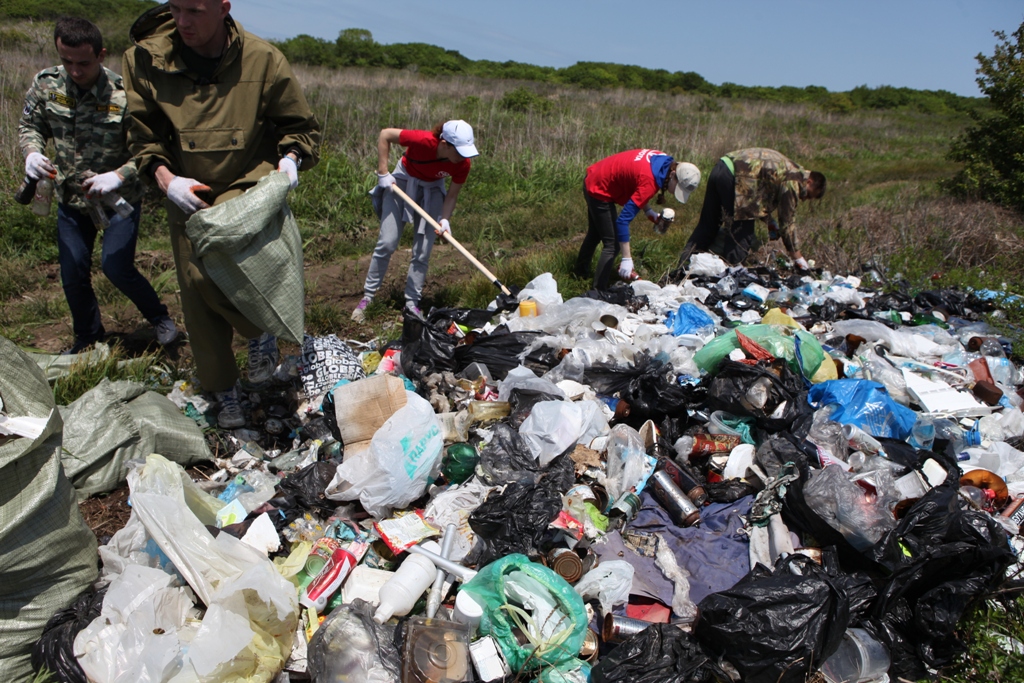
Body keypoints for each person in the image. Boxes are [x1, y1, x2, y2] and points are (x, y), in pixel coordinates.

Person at [123, 0, 320, 428]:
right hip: (186, 188)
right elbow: (143, 137)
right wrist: (165, 179)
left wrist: (290, 162)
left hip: (247, 180)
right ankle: (225, 392)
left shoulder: (263, 58)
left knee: (214, 272)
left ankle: (258, 331)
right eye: (175, 9)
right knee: (197, 301)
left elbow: (299, 127)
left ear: (223, 8)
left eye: (194, 10)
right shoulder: (145, 58)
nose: (182, 22)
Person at [18, 17, 179, 355]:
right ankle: (88, 337)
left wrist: (119, 175)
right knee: (73, 272)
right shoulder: (47, 84)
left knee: (116, 266)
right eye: (67, 62)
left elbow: (149, 149)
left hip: (119, 198)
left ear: (101, 54)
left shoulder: (123, 95)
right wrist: (32, 153)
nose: (75, 71)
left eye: (84, 63)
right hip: (72, 199)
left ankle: (160, 318)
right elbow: (30, 124)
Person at [351, 120, 479, 322]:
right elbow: (385, 133)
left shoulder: (463, 163)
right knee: (387, 241)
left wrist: (444, 219)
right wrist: (383, 172)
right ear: (444, 144)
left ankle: (411, 304)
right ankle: (368, 297)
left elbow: (452, 196)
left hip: (432, 189)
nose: (465, 156)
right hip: (401, 181)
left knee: (423, 250)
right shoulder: (423, 141)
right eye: (460, 151)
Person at [678, 147, 826, 270]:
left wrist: (769, 220)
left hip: (721, 167)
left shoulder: (789, 168)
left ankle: (683, 267)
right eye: (809, 195)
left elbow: (761, 195)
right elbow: (787, 223)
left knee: (708, 225)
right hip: (738, 177)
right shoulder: (795, 180)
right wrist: (798, 258)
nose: (805, 198)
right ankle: (729, 275)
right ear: (810, 182)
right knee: (740, 235)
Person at [573, 149, 701, 290]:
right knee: (613, 244)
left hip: (597, 174)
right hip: (599, 187)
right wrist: (627, 259)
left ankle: (580, 274)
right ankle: (598, 292)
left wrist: (648, 211)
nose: (674, 193)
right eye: (677, 188)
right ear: (672, 174)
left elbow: (636, 182)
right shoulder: (650, 182)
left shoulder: (662, 159)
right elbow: (622, 221)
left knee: (595, 233)